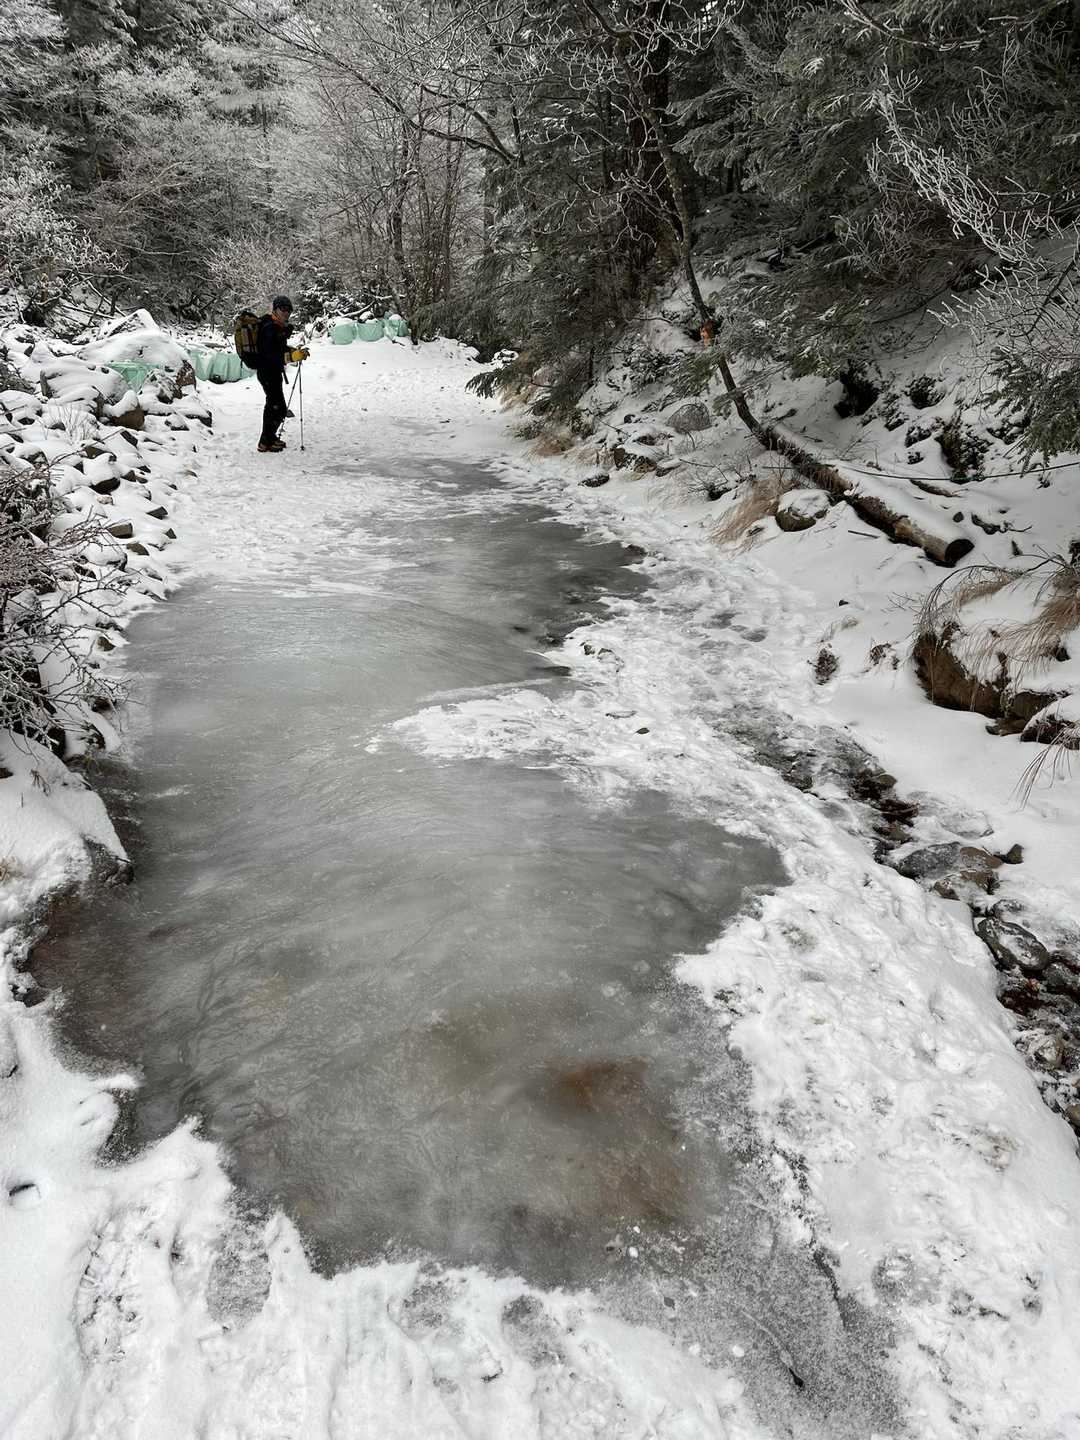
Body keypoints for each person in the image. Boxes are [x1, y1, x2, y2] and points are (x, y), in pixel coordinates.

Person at [255, 295, 308, 453]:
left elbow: (279, 349)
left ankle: (269, 440)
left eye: (289, 310)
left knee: (274, 406)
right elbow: (269, 354)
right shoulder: (269, 327)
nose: (286, 312)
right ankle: (266, 441)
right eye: (283, 309)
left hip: (272, 371)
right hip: (267, 372)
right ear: (275, 309)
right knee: (277, 407)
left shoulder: (276, 326)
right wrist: (291, 357)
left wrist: (295, 352)